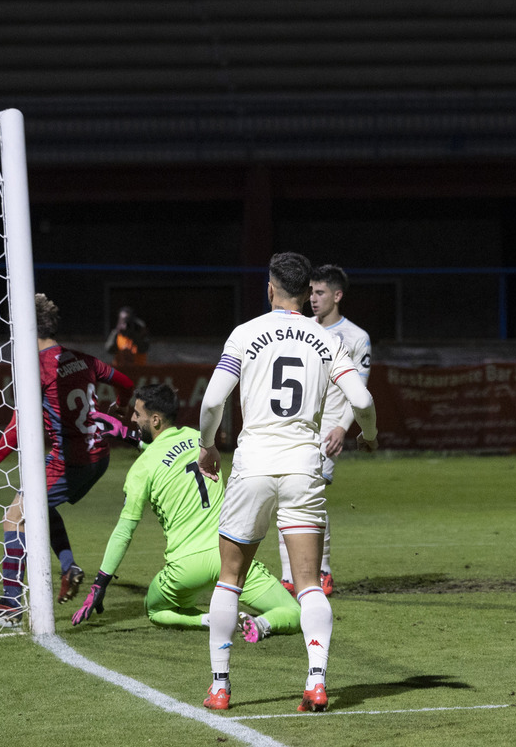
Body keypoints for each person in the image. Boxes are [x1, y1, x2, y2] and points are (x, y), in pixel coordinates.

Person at [196, 252, 378, 712]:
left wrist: (208, 445)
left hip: (253, 465)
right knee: (309, 582)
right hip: (302, 466)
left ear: (271, 288)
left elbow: (213, 399)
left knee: (230, 580)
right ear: (305, 292)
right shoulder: (325, 338)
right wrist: (370, 435)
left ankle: (220, 687)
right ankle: (316, 682)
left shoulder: (245, 333)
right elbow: (361, 397)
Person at [71, 383, 301, 643]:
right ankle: (261, 624)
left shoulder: (141, 469)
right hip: (230, 555)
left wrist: (100, 584)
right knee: (294, 611)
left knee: (155, 609)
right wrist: (130, 435)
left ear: (155, 419)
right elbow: (169, 450)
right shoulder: (200, 439)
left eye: (137, 414)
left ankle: (208, 619)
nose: (132, 418)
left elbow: (125, 531)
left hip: (185, 569)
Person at [0, 293, 134, 618]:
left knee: (15, 515)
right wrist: (121, 405)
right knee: (40, 507)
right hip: (99, 456)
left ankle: (11, 600)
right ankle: (69, 566)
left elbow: (19, 423)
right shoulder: (82, 359)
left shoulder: (40, 369)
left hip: (71, 461)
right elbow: (125, 381)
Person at [277, 264, 371, 598]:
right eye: (311, 292)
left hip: (326, 430)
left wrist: (342, 427)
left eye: (319, 293)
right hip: (296, 425)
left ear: (337, 295)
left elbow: (359, 389)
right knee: (286, 495)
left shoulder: (357, 338)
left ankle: (322, 571)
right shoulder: (302, 329)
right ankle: (291, 576)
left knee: (308, 496)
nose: (312, 299)